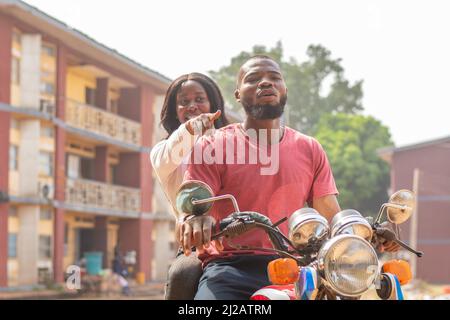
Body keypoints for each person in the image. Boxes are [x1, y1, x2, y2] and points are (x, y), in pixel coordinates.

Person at [180, 55, 399, 300]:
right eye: (253, 79)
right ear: (238, 94)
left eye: (275, 78)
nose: (266, 83)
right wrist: (195, 218)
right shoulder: (213, 144)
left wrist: (370, 231)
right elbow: (196, 199)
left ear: (285, 89)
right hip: (231, 268)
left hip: (299, 270)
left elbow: (330, 214)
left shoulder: (309, 148)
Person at [150, 72, 228, 300]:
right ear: (175, 110)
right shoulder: (162, 151)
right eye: (184, 102)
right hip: (196, 244)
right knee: (182, 274)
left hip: (239, 238)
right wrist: (190, 131)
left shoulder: (235, 144)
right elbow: (170, 154)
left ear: (213, 105)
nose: (192, 106)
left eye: (199, 99)